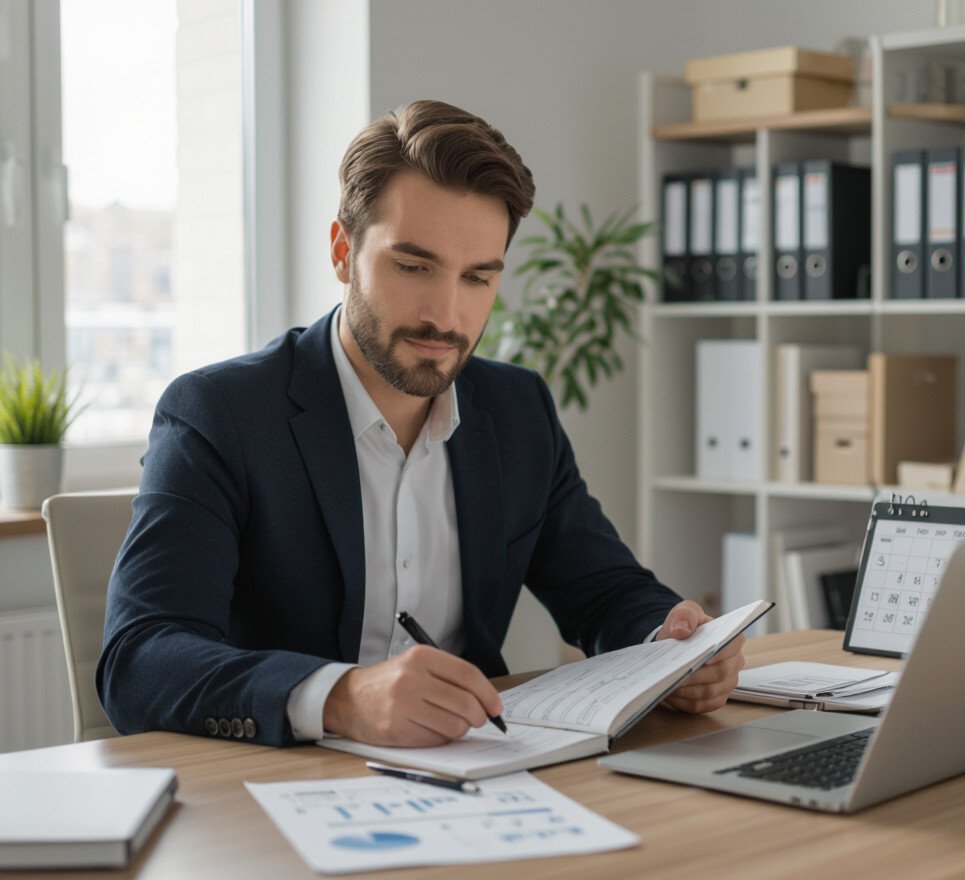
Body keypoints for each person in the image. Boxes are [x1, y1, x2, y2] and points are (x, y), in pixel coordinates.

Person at [98, 99, 744, 749]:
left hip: (482, 772)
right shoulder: (223, 414)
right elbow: (141, 660)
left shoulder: (517, 412)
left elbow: (604, 591)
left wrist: (672, 647)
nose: (446, 314)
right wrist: (340, 697)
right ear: (343, 253)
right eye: (414, 267)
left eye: (477, 278)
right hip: (279, 787)